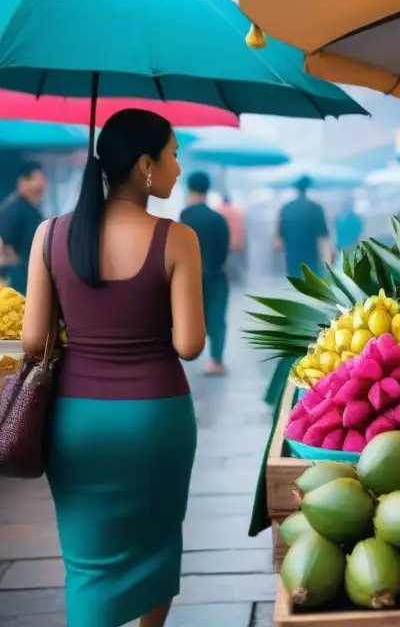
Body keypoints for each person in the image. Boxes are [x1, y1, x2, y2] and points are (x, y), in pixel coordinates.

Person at [21, 109, 205, 627]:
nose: (177, 166)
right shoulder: (176, 239)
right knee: (157, 543)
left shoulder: (49, 235)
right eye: (172, 155)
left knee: (86, 562)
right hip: (155, 419)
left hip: (77, 422)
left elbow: (33, 341)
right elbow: (189, 345)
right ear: (145, 165)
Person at [181, 172, 231, 376]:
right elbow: (225, 249)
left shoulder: (185, 216)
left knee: (190, 317)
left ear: (190, 190)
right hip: (216, 275)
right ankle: (216, 361)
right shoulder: (218, 218)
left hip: (191, 277)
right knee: (217, 318)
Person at [0, 160, 46, 294]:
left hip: (31, 276)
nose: (40, 185)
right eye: (35, 180)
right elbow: (4, 244)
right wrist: (19, 264)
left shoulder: (33, 209)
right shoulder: (13, 208)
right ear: (22, 182)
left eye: (43, 180)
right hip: (16, 280)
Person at [276, 176, 332, 278]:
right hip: (311, 252)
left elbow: (280, 236)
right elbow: (323, 234)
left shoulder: (287, 208)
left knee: (295, 282)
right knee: (312, 281)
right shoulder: (316, 208)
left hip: (292, 252)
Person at [217, 193, 246, 284]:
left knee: (223, 263)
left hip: (222, 242)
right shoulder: (237, 212)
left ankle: (227, 280)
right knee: (235, 262)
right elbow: (241, 228)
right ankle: (237, 280)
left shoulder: (218, 211)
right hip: (235, 242)